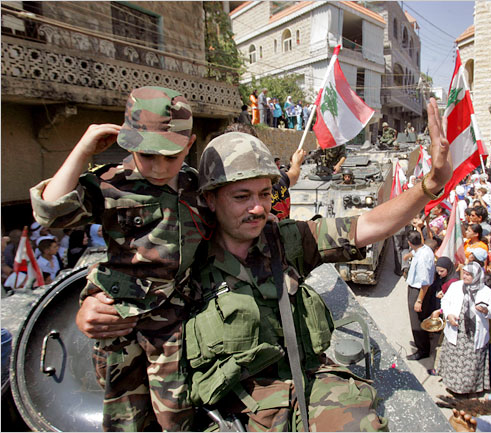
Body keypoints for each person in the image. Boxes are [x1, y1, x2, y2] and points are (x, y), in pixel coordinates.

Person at [76, 97, 453, 431]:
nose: (258, 208)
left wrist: (428, 186)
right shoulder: (184, 260)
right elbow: (126, 285)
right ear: (209, 199)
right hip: (224, 410)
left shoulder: (283, 240)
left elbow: (365, 226)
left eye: (264, 194)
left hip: (304, 392)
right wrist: (91, 311)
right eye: (241, 196)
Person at [30, 86, 205, 431]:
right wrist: (82, 151)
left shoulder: (195, 185)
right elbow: (50, 212)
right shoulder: (112, 184)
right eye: (147, 155)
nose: (158, 168)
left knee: (177, 415)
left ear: (189, 144)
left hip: (176, 320)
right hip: (122, 319)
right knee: (125, 418)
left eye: (170, 156)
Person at [437, 263, 491, 395]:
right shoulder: (456, 287)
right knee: (454, 361)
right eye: (464, 273)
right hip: (457, 331)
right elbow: (445, 301)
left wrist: (486, 311)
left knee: (471, 364)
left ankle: (468, 390)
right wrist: (448, 315)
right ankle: (452, 386)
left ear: (476, 276)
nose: (464, 276)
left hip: (474, 335)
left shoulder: (487, 292)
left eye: (468, 274)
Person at [404, 230, 436, 361]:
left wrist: (419, 301)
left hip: (419, 291)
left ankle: (422, 349)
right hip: (417, 287)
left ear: (409, 243)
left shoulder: (422, 259)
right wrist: (407, 256)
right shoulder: (424, 248)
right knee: (420, 317)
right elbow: (415, 252)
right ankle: (421, 342)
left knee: (416, 321)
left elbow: (425, 284)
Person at [271, 148, 307, 220]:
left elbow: (293, 176)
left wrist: (296, 163)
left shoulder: (277, 177)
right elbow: (293, 175)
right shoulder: (275, 176)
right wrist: (296, 163)